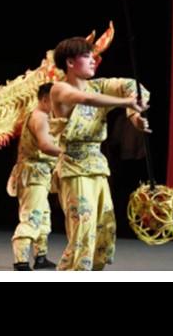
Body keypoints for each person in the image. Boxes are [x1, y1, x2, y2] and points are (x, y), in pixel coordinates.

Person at [48, 37, 150, 270]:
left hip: (97, 165)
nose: (93, 60)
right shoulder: (60, 89)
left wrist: (134, 116)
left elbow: (132, 86)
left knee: (104, 227)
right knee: (83, 228)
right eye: (86, 56)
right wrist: (127, 103)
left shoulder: (99, 86)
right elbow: (86, 99)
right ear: (70, 62)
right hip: (74, 168)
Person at [8, 82, 61, 270]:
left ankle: (41, 256)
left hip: (40, 174)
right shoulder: (40, 118)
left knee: (43, 216)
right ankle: (21, 261)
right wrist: (67, 152)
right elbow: (45, 146)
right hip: (33, 173)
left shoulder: (41, 116)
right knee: (32, 216)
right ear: (45, 99)